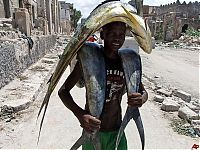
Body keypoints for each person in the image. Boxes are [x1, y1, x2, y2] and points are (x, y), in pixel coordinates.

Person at [58, 21, 148, 150]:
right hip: (92, 133)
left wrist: (141, 98)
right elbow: (63, 91)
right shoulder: (89, 60)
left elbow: (143, 91)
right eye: (112, 33)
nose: (117, 38)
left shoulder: (126, 63)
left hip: (117, 132)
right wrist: (81, 115)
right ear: (102, 34)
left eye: (121, 34)